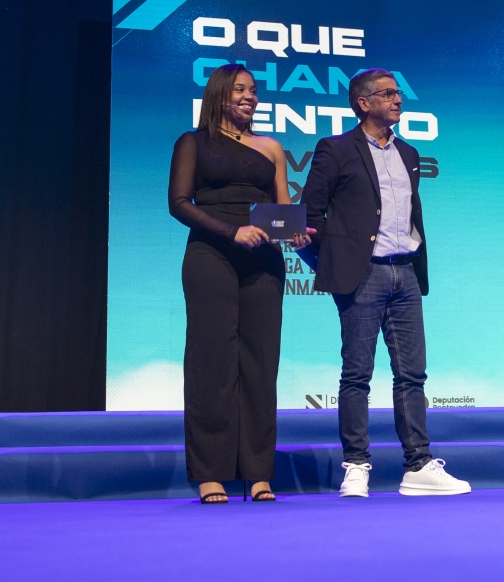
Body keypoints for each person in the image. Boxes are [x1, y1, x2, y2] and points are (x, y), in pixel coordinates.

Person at [302, 69, 470, 498]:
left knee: (412, 374)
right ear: (363, 103)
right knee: (357, 374)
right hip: (364, 274)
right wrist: (336, 261)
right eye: (388, 93)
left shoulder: (408, 152)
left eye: (398, 93)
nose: (398, 99)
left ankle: (418, 465)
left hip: (406, 272)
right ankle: (357, 464)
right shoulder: (336, 149)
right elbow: (310, 216)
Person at [167, 63, 307, 505]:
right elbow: (178, 203)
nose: (250, 97)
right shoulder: (193, 142)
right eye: (240, 89)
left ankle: (258, 472)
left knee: (260, 363)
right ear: (219, 94)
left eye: (254, 90)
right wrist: (232, 232)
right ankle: (210, 473)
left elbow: (282, 209)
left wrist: (296, 231)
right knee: (212, 360)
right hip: (211, 254)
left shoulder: (271, 147)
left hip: (263, 260)